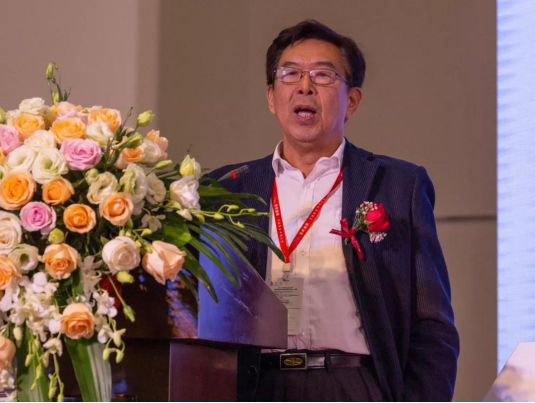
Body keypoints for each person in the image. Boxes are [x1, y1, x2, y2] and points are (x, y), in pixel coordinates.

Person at [209, 20, 460, 403]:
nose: (305, 86)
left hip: (354, 384)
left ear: (352, 101)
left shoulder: (398, 185)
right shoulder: (229, 188)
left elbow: (432, 324)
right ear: (272, 97)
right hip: (257, 386)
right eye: (290, 74)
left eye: (323, 75)